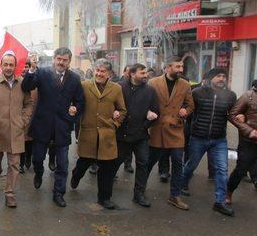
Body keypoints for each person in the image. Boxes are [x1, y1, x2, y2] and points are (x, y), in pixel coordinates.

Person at [22, 47, 85, 207]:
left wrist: (74, 110)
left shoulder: (74, 79)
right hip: (42, 124)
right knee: (37, 159)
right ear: (54, 59)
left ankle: (58, 193)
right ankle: (39, 173)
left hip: (62, 126)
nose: (61, 62)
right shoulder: (42, 73)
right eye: (59, 59)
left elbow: (80, 101)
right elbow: (26, 87)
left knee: (63, 164)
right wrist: (31, 70)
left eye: (64, 60)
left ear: (69, 62)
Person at [177, 68, 236, 216]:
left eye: (224, 76)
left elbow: (234, 113)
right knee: (191, 164)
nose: (222, 78)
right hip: (199, 137)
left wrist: (239, 117)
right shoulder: (198, 92)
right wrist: (184, 112)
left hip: (219, 139)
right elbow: (187, 107)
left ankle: (220, 202)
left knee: (222, 170)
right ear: (211, 78)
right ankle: (182, 184)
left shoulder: (230, 95)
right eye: (218, 76)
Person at [70, 59, 127, 209]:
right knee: (83, 163)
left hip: (107, 135)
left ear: (109, 74)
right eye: (97, 70)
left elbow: (122, 110)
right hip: (88, 134)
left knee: (107, 169)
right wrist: (73, 109)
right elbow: (74, 102)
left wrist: (115, 123)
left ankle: (104, 198)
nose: (99, 73)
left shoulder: (116, 89)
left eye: (102, 71)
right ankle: (76, 176)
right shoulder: (84, 86)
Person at [0, 53, 34, 207]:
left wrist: (23, 120)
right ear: (1, 65)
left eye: (11, 65)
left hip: (16, 131)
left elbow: (29, 104)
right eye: (6, 64)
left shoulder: (23, 84)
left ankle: (10, 193)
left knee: (14, 164)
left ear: (15, 66)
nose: (9, 68)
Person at [146, 57, 194, 211]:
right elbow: (145, 102)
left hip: (176, 128)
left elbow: (190, 104)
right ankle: (139, 190)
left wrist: (185, 110)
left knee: (178, 163)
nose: (181, 69)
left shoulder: (185, 85)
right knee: (150, 161)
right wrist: (148, 112)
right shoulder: (153, 82)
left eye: (182, 66)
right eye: (177, 66)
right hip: (158, 128)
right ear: (167, 67)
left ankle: (175, 196)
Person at [114, 63, 159, 207]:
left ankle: (139, 194)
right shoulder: (119, 87)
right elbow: (111, 106)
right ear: (132, 74)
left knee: (143, 163)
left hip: (141, 136)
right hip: (122, 135)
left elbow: (156, 112)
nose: (146, 75)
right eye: (142, 73)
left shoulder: (150, 91)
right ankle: (106, 192)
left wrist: (145, 126)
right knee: (114, 163)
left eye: (146, 73)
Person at [228, 82, 257, 203]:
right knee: (241, 169)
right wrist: (249, 130)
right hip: (249, 141)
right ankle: (228, 192)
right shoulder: (248, 96)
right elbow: (232, 115)